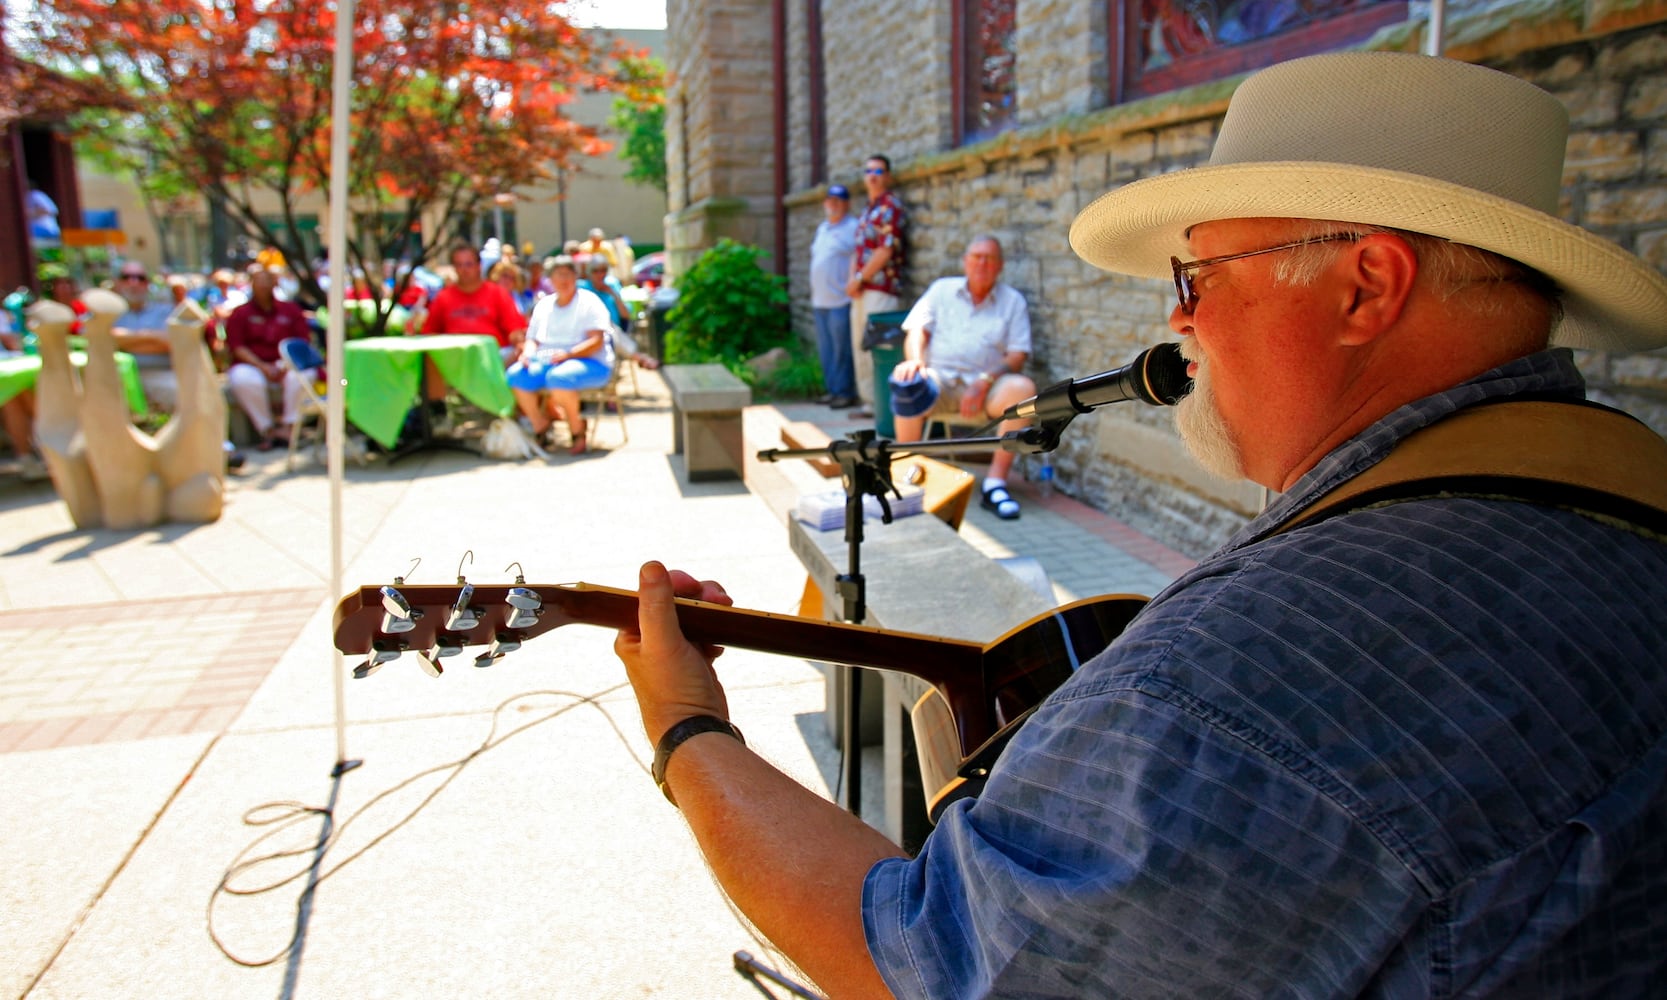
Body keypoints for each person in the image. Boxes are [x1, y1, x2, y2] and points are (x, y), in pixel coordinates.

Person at [609, 52, 1667, 998]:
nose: (1178, 319)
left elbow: (927, 962)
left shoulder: (1244, 680)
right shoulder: (1620, 511)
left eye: (1194, 276)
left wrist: (688, 731)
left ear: (1363, 288)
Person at [888, 235, 1036, 519]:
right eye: (976, 256)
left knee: (1023, 389)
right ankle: (905, 473)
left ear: (1000, 266)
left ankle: (995, 484)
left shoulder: (1012, 301)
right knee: (907, 382)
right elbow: (917, 329)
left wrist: (985, 381)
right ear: (965, 261)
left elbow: (1018, 355)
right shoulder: (941, 290)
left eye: (989, 258)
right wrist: (916, 361)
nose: (982, 263)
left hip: (987, 390)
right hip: (939, 383)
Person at [505, 255, 613, 455]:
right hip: (549, 361)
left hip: (590, 362)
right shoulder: (545, 305)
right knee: (516, 375)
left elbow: (596, 340)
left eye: (567, 274)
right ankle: (540, 425)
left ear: (576, 277)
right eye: (558, 275)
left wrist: (569, 354)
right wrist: (527, 354)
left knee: (559, 378)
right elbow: (532, 338)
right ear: (550, 279)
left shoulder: (589, 302)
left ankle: (577, 429)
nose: (563, 280)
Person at [417, 243, 527, 422]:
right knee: (428, 356)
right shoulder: (444, 297)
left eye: (468, 264)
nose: (464, 270)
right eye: (459, 265)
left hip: (493, 357)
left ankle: (514, 414)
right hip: (454, 359)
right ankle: (438, 417)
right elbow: (429, 333)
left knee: (520, 358)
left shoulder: (496, 293)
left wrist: (521, 345)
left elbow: (514, 328)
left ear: (478, 266)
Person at [223, 266, 315, 450]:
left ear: (275, 283)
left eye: (267, 280)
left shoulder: (291, 311)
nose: (264, 285)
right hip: (252, 365)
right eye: (259, 281)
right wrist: (262, 366)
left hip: (286, 363)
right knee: (243, 379)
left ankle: (289, 428)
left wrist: (283, 365)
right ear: (252, 284)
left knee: (304, 375)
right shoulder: (241, 314)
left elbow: (302, 341)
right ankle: (267, 430)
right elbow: (236, 346)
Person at [845, 153, 907, 418]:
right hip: (862, 289)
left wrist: (860, 279)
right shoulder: (867, 211)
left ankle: (881, 405)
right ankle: (868, 402)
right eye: (869, 171)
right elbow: (858, 251)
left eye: (879, 171)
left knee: (877, 347)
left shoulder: (890, 207)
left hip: (881, 289)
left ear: (887, 176)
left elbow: (885, 251)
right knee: (860, 344)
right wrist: (852, 281)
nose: (873, 176)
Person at [809, 183, 860, 408]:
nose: (833, 204)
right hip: (820, 300)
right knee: (827, 350)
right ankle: (832, 390)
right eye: (830, 200)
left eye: (838, 200)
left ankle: (845, 392)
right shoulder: (822, 229)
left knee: (841, 350)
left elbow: (858, 257)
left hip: (840, 299)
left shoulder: (853, 227)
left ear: (846, 204)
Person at [111, 262, 180, 410]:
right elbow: (105, 341)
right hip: (117, 378)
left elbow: (170, 341)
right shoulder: (108, 314)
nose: (133, 283)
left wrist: (125, 341)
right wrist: (151, 337)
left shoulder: (165, 311)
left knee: (181, 394)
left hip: (161, 373)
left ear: (147, 283)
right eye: (127, 277)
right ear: (118, 283)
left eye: (139, 278)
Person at [578, 255, 659, 370]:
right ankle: (639, 357)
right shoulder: (582, 287)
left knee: (608, 327)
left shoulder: (612, 284)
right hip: (589, 330)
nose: (600, 274)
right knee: (604, 325)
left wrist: (612, 293)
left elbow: (626, 315)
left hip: (612, 330)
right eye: (596, 271)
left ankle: (638, 357)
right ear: (589, 272)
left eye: (603, 270)